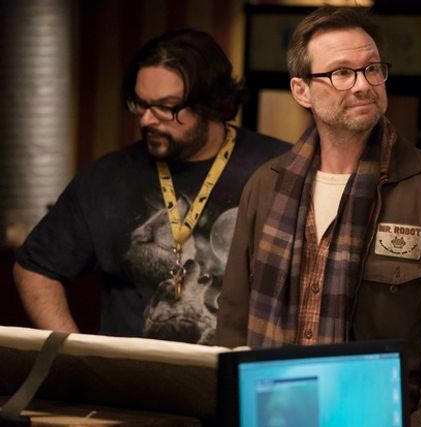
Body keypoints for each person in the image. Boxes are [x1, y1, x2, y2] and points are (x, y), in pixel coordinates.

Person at [215, 6, 421, 427]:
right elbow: (234, 325)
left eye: (372, 69)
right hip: (272, 416)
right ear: (302, 90)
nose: (364, 85)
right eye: (342, 73)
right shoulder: (267, 186)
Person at [13, 29, 290, 345]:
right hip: (130, 376)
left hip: (238, 372)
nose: (146, 120)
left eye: (166, 107)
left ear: (211, 103)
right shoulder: (106, 178)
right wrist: (73, 352)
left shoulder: (280, 169)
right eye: (140, 104)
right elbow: (34, 269)